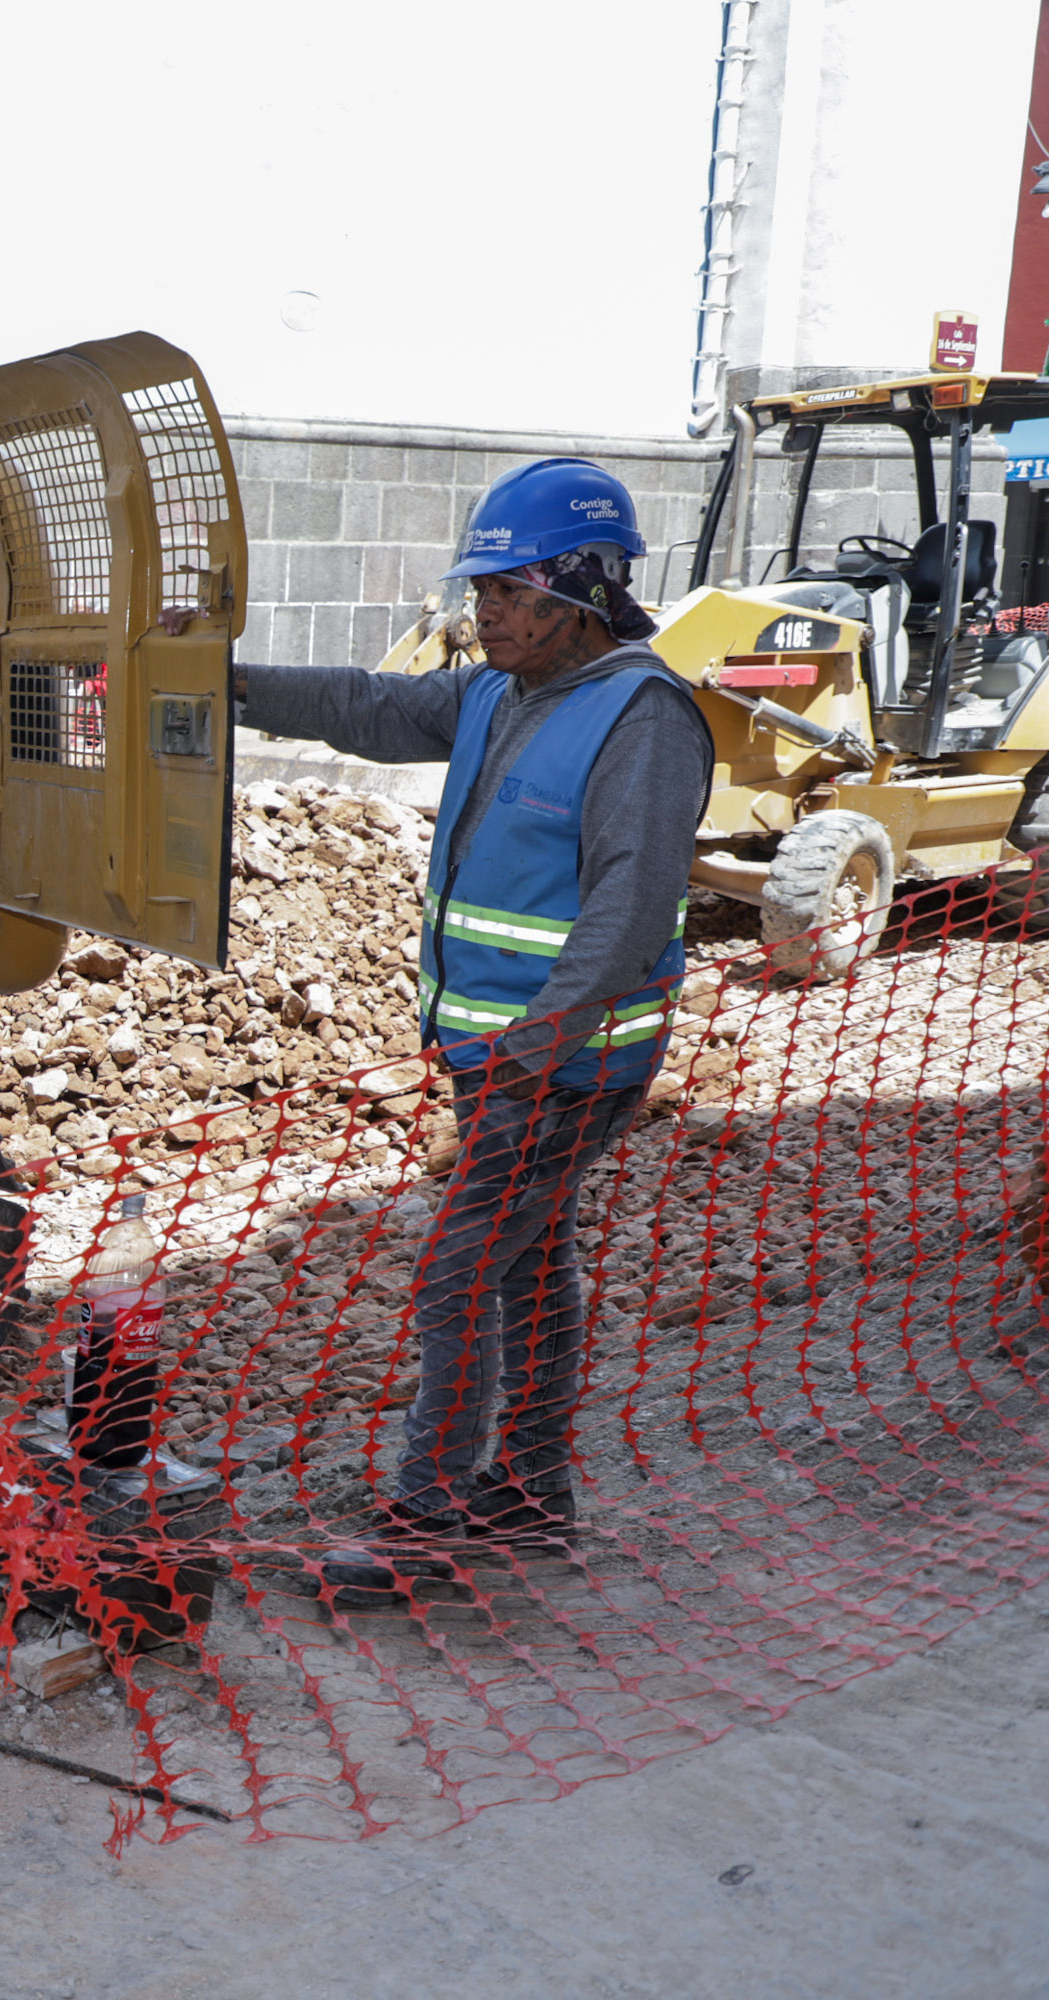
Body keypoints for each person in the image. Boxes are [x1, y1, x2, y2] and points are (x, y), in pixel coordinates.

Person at [234, 458, 715, 1594]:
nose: (482, 611)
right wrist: (222, 682)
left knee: (458, 1272)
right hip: (499, 1058)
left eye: (507, 589)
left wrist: (533, 1051)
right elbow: (364, 704)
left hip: (563, 1064)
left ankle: (429, 1521)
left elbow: (631, 906)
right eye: (481, 589)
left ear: (582, 589)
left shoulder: (642, 719)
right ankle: (533, 1491)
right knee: (528, 1263)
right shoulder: (499, 693)